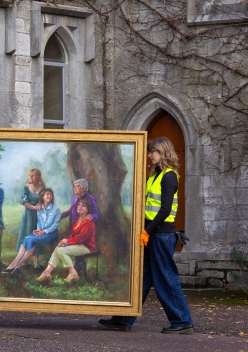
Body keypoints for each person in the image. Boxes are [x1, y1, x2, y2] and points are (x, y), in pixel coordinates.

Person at [99, 137, 194, 334]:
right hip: (152, 233)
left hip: (161, 235)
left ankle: (183, 321)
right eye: (150, 152)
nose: (149, 155)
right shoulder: (154, 176)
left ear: (163, 152)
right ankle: (124, 319)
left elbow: (166, 210)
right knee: (140, 278)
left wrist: (146, 231)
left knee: (166, 278)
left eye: (153, 152)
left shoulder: (169, 176)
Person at [35, 197, 95, 283]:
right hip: (78, 244)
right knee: (58, 249)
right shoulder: (78, 220)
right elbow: (74, 236)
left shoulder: (88, 223)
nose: (80, 207)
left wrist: (66, 241)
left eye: (83, 206)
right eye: (79, 205)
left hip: (86, 246)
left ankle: (73, 273)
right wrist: (65, 242)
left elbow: (81, 238)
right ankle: (46, 273)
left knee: (61, 251)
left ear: (88, 210)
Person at [2, 188, 61, 274]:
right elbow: (39, 222)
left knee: (32, 240)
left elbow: (55, 225)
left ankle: (16, 265)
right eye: (47, 194)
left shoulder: (56, 209)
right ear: (43, 197)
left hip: (50, 234)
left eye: (51, 194)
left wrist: (43, 232)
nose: (49, 196)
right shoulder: (39, 208)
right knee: (26, 239)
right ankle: (16, 264)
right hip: (41, 232)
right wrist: (38, 230)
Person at [15, 168, 45, 267]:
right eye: (30, 175)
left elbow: (44, 199)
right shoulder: (26, 187)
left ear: (38, 177)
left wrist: (40, 205)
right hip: (28, 214)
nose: (31, 177)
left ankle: (36, 259)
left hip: (39, 214)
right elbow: (23, 201)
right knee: (27, 233)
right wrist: (33, 207)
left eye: (34, 175)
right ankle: (25, 259)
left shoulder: (42, 187)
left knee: (37, 235)